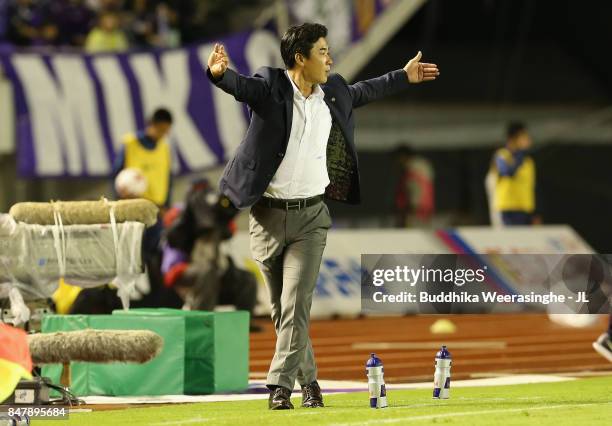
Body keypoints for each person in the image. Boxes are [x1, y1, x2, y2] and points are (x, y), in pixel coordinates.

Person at [206, 23, 439, 409]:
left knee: (296, 304)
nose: (330, 58)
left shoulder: (335, 93)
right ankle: (310, 384)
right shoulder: (271, 86)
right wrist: (219, 75)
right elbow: (242, 87)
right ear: (301, 58)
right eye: (322, 52)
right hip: (266, 217)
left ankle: (279, 388)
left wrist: (404, 76)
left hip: (311, 217)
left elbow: (368, 89)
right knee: (284, 311)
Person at [493, 122, 538, 226]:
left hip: (525, 208)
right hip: (508, 209)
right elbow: (508, 172)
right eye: (524, 136)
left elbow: (532, 187)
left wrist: (535, 212)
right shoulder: (502, 155)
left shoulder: (528, 161)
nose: (528, 140)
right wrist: (520, 152)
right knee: (511, 240)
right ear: (514, 138)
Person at [393, 144, 435, 227]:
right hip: (424, 214)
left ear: (403, 156)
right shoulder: (423, 168)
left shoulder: (413, 170)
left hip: (415, 216)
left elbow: (415, 192)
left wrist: (409, 215)